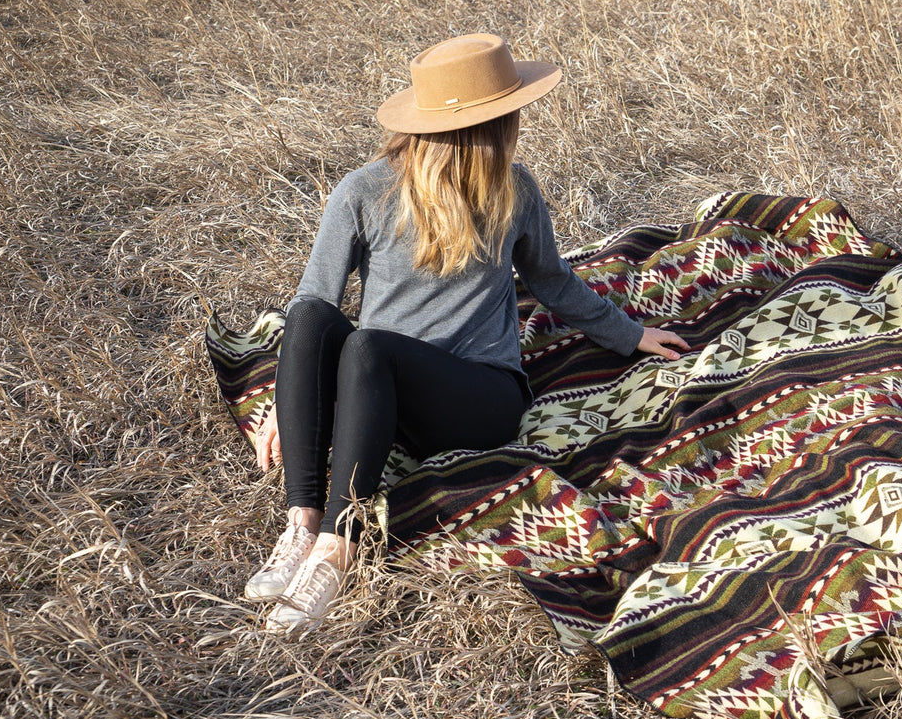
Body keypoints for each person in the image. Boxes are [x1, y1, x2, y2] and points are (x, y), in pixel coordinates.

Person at [245, 33, 689, 632]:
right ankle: (300, 526)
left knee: (368, 345)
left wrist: (630, 335)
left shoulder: (515, 191)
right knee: (312, 320)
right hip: (377, 388)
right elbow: (315, 304)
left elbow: (553, 282)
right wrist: (289, 396)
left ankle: (335, 548)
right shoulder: (362, 191)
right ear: (495, 122)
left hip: (479, 400)